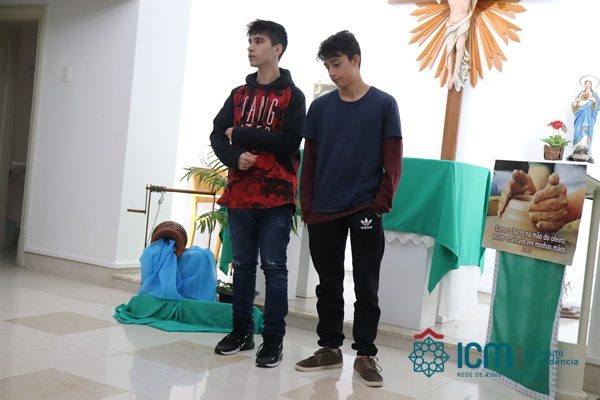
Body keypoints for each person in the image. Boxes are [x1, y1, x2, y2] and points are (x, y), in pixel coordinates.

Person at [295, 31, 403, 387]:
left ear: (356, 60)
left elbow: (393, 161)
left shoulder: (384, 104)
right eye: (328, 66)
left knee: (366, 284)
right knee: (328, 285)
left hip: (364, 208)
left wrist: (379, 204)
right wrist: (307, 207)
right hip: (323, 209)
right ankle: (329, 348)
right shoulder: (320, 108)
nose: (332, 72)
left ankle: (366, 355)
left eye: (337, 64)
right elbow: (309, 162)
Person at [210, 19, 306, 368]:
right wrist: (234, 156)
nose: (251, 47)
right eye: (250, 40)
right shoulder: (238, 94)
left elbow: (289, 142)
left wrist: (242, 133)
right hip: (240, 194)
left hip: (276, 196)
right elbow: (217, 133)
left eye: (259, 41)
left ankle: (274, 339)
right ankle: (241, 332)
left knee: (275, 268)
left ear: (276, 49)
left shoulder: (293, 96)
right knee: (243, 266)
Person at [438, 0, 478, 91]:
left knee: (459, 46)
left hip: (463, 21)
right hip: (451, 24)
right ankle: (450, 74)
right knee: (450, 50)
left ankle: (456, 73)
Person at [570, 77, 599, 163]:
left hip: (588, 115)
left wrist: (593, 100)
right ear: (584, 84)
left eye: (589, 83)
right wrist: (576, 102)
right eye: (586, 83)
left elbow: (597, 105)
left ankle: (585, 149)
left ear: (591, 85)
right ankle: (577, 148)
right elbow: (575, 105)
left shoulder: (594, 94)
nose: (587, 85)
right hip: (580, 114)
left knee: (585, 130)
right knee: (578, 130)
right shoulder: (581, 93)